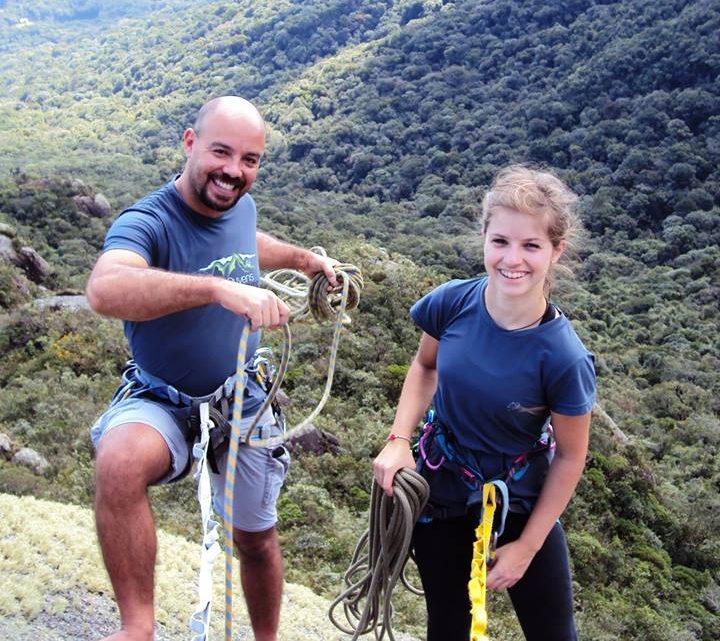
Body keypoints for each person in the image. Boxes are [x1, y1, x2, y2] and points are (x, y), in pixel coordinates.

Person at [85, 96, 338, 641]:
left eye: (249, 160)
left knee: (255, 537)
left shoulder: (237, 206)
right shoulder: (148, 220)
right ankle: (137, 628)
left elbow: (244, 244)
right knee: (119, 463)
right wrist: (217, 291)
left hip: (243, 395)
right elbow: (105, 289)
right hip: (163, 397)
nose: (233, 171)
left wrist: (301, 259)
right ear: (190, 142)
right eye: (221, 152)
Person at [373, 166, 596, 641]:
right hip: (442, 490)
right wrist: (398, 440)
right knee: (448, 629)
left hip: (521, 502)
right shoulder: (451, 303)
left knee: (555, 634)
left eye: (531, 246)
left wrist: (528, 548)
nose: (512, 259)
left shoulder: (562, 357)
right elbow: (424, 369)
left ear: (556, 251)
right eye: (501, 242)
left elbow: (572, 455)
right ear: (484, 239)